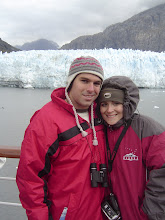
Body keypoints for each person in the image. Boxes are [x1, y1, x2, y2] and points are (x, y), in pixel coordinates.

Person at [16, 56, 108, 220]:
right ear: (71, 81)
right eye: (84, 80)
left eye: (96, 83)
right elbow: (30, 178)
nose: (91, 89)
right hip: (65, 215)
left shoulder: (102, 114)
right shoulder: (46, 120)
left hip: (98, 213)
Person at [96, 75, 165, 220]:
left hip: (138, 214)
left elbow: (162, 169)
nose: (109, 110)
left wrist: (151, 211)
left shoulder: (146, 129)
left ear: (127, 103)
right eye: (104, 104)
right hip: (108, 213)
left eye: (116, 103)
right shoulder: (98, 130)